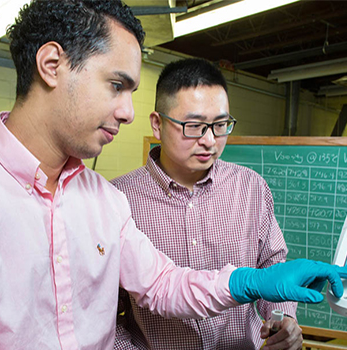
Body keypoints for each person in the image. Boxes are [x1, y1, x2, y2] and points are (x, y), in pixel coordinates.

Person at [0, 1, 347, 349]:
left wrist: (253, 281)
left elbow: (163, 286)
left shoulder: (102, 201)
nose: (127, 111)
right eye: (117, 85)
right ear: (53, 65)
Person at [111, 58, 302, 350]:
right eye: (195, 126)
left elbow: (272, 265)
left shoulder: (250, 188)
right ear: (158, 124)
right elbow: (108, 316)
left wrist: (283, 318)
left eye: (221, 125)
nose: (210, 141)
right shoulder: (119, 199)